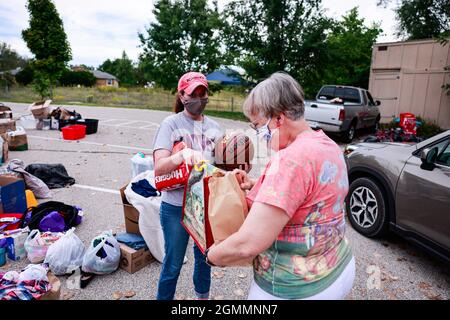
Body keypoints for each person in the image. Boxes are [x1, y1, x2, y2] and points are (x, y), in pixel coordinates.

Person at [205, 72, 355, 300]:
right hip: (337, 267)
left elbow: (248, 243)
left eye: (257, 126)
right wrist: (256, 184)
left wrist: (212, 255)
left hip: (295, 286)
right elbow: (311, 194)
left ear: (278, 118)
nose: (258, 135)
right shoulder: (327, 145)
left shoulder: (289, 160)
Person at [152, 71, 223, 300]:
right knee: (173, 265)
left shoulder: (215, 128)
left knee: (205, 259)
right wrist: (181, 156)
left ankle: (202, 300)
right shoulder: (170, 124)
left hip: (204, 205)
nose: (200, 98)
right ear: (183, 96)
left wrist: (239, 163)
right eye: (194, 93)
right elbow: (159, 167)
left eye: (203, 93)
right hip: (175, 206)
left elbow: (223, 168)